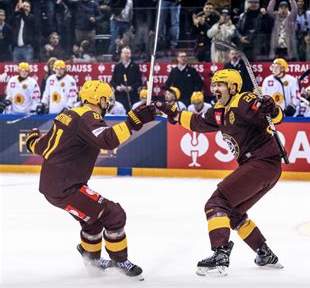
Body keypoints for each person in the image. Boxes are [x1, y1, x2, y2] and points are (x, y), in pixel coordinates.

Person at [154, 69, 284, 276]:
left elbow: (273, 117)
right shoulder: (218, 110)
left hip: (261, 163)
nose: (215, 89)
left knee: (216, 203)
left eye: (220, 85)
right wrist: (174, 113)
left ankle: (220, 254)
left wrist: (272, 108)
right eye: (214, 85)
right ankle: (264, 253)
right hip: (265, 168)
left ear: (233, 88)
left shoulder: (243, 100)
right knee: (233, 213)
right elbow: (197, 122)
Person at [24, 80, 156, 280]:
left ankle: (91, 260)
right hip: (66, 188)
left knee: (92, 221)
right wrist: (133, 121)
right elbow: (107, 139)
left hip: (55, 186)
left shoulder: (68, 114)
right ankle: (120, 261)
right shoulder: (89, 116)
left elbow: (43, 146)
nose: (109, 104)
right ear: (99, 99)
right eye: (107, 100)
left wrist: (32, 141)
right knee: (114, 214)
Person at [110, 46, 143, 112]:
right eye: (124, 53)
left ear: (130, 55)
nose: (126, 55)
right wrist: (117, 87)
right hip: (120, 96)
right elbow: (112, 81)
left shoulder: (135, 67)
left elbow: (139, 82)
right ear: (121, 54)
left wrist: (131, 87)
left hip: (132, 96)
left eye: (128, 53)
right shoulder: (117, 67)